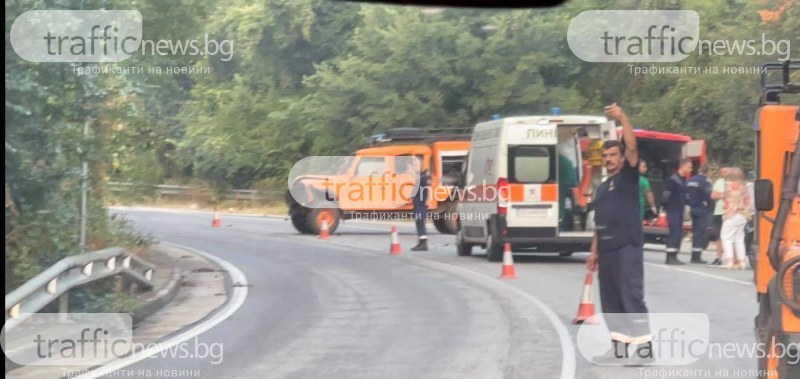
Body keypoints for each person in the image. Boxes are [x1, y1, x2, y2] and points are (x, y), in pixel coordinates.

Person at [587, 103, 652, 365]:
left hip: (627, 247)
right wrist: (594, 252)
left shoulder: (629, 177)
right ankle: (619, 348)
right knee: (611, 301)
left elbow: (633, 146)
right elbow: (598, 223)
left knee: (630, 298)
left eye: (614, 155)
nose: (610, 159)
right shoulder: (602, 188)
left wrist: (623, 117)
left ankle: (645, 350)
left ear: (621, 158)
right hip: (607, 251)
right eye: (606, 156)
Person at [662, 159, 693, 265]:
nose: (690, 169)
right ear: (682, 166)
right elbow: (666, 194)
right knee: (674, 232)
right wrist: (664, 206)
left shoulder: (683, 179)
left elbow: (686, 195)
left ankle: (674, 255)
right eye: (689, 167)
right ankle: (669, 257)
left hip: (680, 209)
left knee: (679, 233)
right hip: (673, 209)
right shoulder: (673, 180)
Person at [719, 168, 751, 269]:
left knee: (726, 237)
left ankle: (730, 261)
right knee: (739, 239)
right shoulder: (745, 186)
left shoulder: (729, 185)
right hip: (743, 214)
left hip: (732, 213)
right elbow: (747, 200)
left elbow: (726, 199)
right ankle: (742, 262)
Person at [686, 165, 713, 264]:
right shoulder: (706, 181)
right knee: (700, 232)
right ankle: (696, 257)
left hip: (692, 208)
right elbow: (709, 194)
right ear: (708, 172)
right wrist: (707, 202)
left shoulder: (690, 180)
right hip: (702, 209)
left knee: (695, 232)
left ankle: (694, 254)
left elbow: (685, 194)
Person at [709, 167, 729, 266]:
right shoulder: (719, 182)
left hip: (730, 212)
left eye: (725, 172)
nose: (723, 173)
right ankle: (718, 257)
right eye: (722, 172)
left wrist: (720, 194)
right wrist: (723, 195)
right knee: (718, 236)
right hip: (719, 211)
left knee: (729, 236)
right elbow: (713, 196)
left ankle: (731, 258)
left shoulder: (734, 182)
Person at [409, 157, 431, 251]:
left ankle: (423, 244)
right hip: (417, 203)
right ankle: (421, 242)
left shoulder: (424, 176)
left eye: (415, 165)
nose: (414, 167)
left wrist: (428, 201)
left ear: (421, 164)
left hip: (422, 204)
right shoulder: (419, 176)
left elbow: (429, 189)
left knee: (421, 222)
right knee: (419, 222)